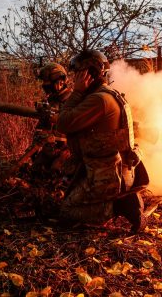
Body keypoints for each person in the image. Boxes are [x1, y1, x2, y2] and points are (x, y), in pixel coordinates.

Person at [56, 49, 150, 234]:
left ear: (87, 74)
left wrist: (77, 93)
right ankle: (120, 199)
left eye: (77, 74)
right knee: (70, 193)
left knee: (67, 211)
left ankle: (119, 205)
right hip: (115, 171)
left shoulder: (98, 100)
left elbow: (63, 123)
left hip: (106, 176)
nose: (73, 79)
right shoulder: (109, 94)